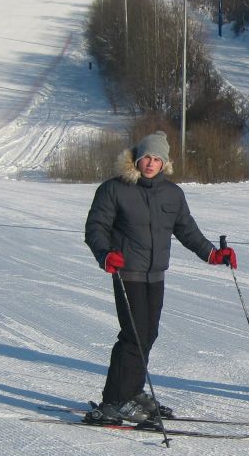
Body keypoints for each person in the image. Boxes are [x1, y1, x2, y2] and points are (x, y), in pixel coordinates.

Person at [84, 132, 237, 424]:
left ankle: (132, 390)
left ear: (164, 162)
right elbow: (95, 228)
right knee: (134, 335)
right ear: (137, 158)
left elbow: (187, 230)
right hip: (127, 271)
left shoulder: (172, 194)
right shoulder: (114, 189)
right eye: (147, 158)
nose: (151, 163)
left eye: (157, 159)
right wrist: (105, 254)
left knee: (148, 334)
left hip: (156, 274)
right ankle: (114, 401)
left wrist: (212, 255)